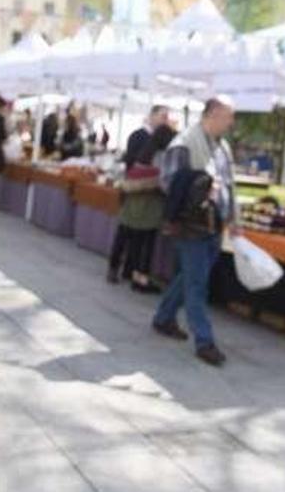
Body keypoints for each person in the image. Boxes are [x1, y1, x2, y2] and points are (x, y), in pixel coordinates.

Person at [151, 96, 239, 367]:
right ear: (211, 115)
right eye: (227, 116)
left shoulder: (222, 146)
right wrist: (200, 187)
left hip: (214, 223)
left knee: (190, 277)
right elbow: (168, 181)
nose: (231, 122)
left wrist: (233, 216)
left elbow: (229, 184)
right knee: (197, 283)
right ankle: (205, 341)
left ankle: (164, 318)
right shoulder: (185, 143)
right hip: (192, 225)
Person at [107, 106, 170, 283]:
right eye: (162, 116)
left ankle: (129, 269)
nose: (165, 120)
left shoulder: (160, 142)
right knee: (126, 233)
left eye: (167, 117)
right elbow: (130, 163)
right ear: (152, 116)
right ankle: (115, 268)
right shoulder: (138, 136)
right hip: (134, 192)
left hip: (145, 195)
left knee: (137, 236)